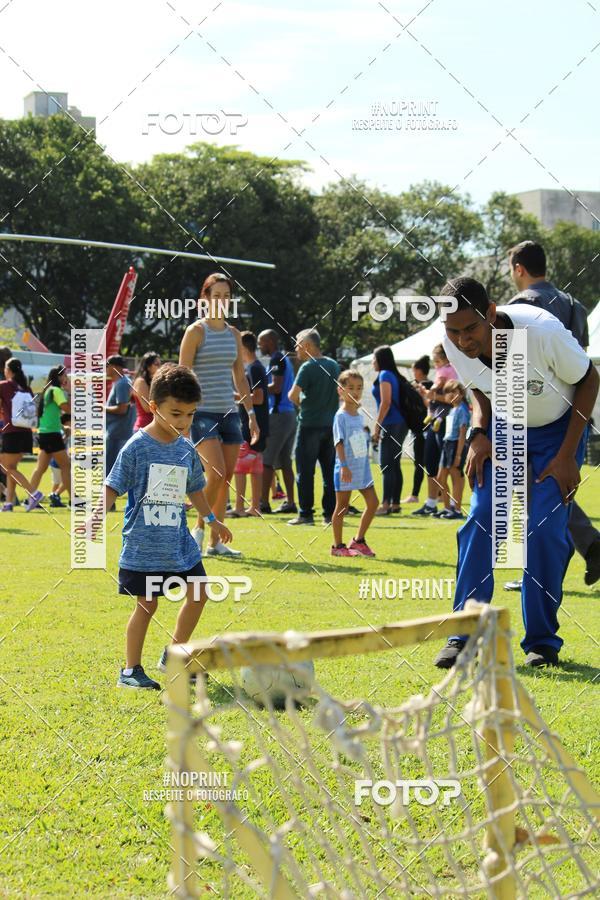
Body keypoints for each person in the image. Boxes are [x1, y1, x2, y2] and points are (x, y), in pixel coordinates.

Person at [432, 277, 598, 670]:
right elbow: (481, 390)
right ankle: (463, 635)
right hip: (505, 426)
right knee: (482, 519)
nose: (464, 340)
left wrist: (567, 455)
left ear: (490, 313)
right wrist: (477, 433)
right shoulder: (456, 342)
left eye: (471, 329)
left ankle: (542, 642)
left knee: (542, 529)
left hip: (559, 429)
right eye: (454, 333)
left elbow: (589, 379)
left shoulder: (540, 331)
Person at [93, 364, 233, 689]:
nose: (184, 422)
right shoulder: (136, 446)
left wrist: (211, 520)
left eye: (190, 414)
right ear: (154, 407)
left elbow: (195, 488)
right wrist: (97, 515)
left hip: (178, 543)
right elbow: (113, 485)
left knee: (199, 593)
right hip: (145, 545)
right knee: (147, 604)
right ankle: (130, 671)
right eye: (176, 413)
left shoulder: (186, 449)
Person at [506, 240, 600, 587]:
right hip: (572, 412)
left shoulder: (519, 307)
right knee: (550, 493)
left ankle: (541, 572)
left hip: (534, 418)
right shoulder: (573, 303)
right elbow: (583, 366)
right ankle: (589, 546)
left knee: (534, 494)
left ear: (519, 268)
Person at [179, 272, 259, 558]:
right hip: (201, 412)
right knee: (216, 473)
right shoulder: (196, 332)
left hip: (229, 412)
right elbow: (182, 374)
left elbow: (240, 375)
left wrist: (250, 413)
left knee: (224, 478)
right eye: (217, 296)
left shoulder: (233, 333)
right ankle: (198, 529)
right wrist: (182, 416)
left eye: (227, 296)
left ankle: (215, 543)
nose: (222, 301)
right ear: (205, 298)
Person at [287, 329, 340, 526]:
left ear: (308, 346)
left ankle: (306, 514)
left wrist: (304, 405)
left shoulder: (307, 367)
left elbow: (292, 395)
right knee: (329, 472)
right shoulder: (334, 365)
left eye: (298, 344)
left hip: (309, 425)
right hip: (331, 426)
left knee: (305, 472)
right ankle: (329, 514)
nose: (296, 348)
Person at [331, 371, 378, 556]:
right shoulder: (340, 417)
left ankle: (358, 541)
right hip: (346, 469)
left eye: (359, 388)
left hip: (362, 469)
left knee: (373, 503)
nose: (355, 392)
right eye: (350, 388)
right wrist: (343, 465)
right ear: (340, 391)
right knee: (341, 507)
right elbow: (338, 442)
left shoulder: (358, 415)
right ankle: (338, 547)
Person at [412, 345, 457, 517]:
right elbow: (432, 401)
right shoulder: (442, 372)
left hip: (445, 421)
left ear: (446, 359)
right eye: (435, 362)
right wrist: (427, 395)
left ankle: (452, 504)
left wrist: (431, 395)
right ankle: (431, 503)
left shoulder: (449, 371)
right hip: (434, 421)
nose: (436, 365)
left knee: (446, 465)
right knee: (430, 461)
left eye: (438, 361)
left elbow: (451, 398)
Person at [257, 329, 298, 515]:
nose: (259, 346)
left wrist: (256, 388)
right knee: (285, 462)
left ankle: (263, 503)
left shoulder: (276, 359)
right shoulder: (285, 359)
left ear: (270, 342)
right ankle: (290, 502)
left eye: (261, 342)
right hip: (289, 414)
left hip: (279, 414)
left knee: (266, 461)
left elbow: (276, 387)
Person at [230, 331, 269, 517]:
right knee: (255, 467)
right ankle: (254, 506)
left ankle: (239, 507)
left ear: (243, 347)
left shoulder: (254, 368)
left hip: (252, 424)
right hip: (256, 423)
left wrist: (234, 396)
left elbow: (259, 398)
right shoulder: (254, 367)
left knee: (240, 466)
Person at [371, 346, 409, 515]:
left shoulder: (385, 375)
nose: (372, 362)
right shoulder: (392, 374)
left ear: (380, 359)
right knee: (394, 464)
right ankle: (394, 503)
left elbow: (385, 402)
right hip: (400, 423)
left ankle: (385, 504)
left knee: (387, 465)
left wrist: (377, 426)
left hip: (392, 423)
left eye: (374, 358)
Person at [28, 365, 71, 510]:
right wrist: (72, 392)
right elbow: (67, 408)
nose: (67, 378)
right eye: (65, 375)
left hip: (45, 433)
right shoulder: (57, 390)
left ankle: (30, 499)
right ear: (59, 377)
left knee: (40, 468)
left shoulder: (49, 390)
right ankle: (74, 500)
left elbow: (50, 416)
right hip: (52, 435)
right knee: (66, 465)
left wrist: (62, 427)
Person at [0, 358, 37, 511]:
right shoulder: (26, 388)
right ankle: (9, 504)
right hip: (26, 432)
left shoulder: (3, 386)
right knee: (12, 467)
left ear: (8, 370)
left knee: (8, 468)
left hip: (12, 432)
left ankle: (34, 494)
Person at [434, 380, 469, 520]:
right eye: (448, 392)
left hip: (456, 445)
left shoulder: (462, 409)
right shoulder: (452, 410)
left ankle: (457, 510)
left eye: (454, 391)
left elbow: (462, 432)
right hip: (447, 444)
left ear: (461, 394)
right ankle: (447, 508)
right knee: (440, 478)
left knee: (456, 479)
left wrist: (459, 455)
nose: (451, 395)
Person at [403, 355, 432, 503]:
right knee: (431, 463)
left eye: (414, 370)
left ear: (419, 371)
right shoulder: (432, 385)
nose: (413, 374)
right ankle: (438, 494)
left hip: (421, 429)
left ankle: (415, 495)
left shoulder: (424, 387)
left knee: (420, 463)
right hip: (429, 429)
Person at [105, 355, 135, 479]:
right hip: (119, 432)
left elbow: (122, 409)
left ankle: (106, 496)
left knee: (111, 470)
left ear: (115, 367)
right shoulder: (123, 382)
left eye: (107, 365)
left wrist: (102, 408)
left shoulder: (122, 383)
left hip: (117, 433)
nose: (105, 369)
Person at [132, 352, 162, 431]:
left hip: (154, 428)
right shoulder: (141, 382)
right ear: (148, 367)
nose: (160, 367)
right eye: (156, 364)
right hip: (143, 428)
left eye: (160, 364)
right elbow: (147, 408)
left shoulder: (152, 381)